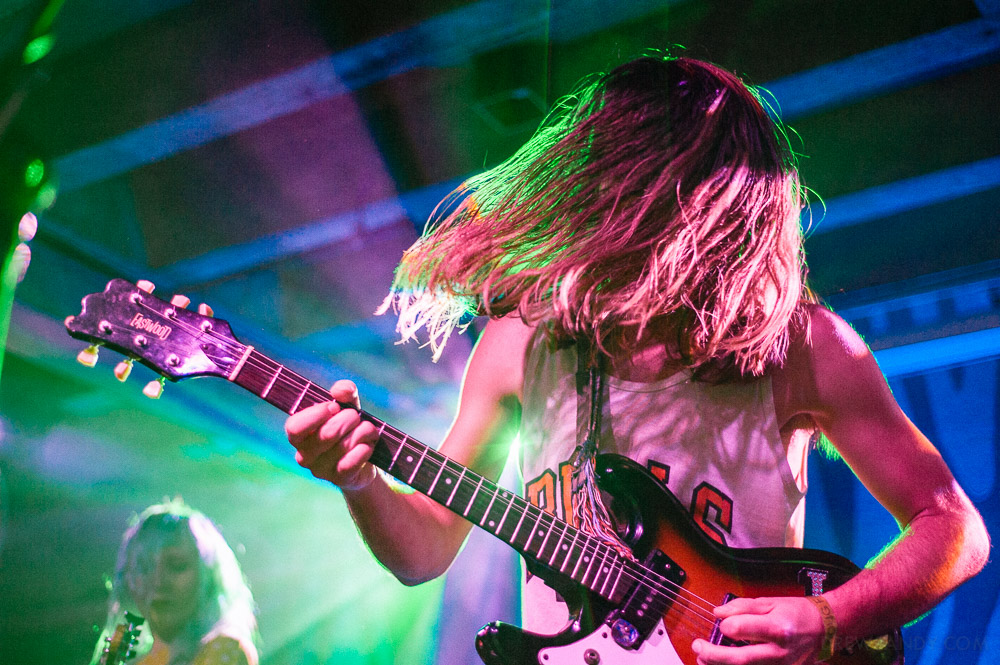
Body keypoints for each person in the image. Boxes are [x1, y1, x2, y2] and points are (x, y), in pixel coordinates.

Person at [285, 52, 989, 664]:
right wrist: (358, 481)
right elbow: (425, 550)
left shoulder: (800, 346)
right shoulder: (522, 344)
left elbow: (955, 528)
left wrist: (829, 617)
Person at [91, 499, 259, 665]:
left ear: (208, 578)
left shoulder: (224, 649)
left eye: (177, 566)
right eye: (144, 567)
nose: (158, 582)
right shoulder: (126, 656)